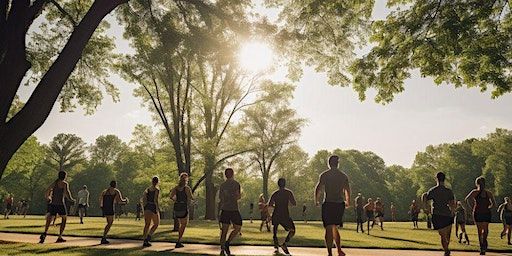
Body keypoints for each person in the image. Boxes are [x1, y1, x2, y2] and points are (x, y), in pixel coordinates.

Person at [315, 155, 351, 256]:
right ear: (337, 163)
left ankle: (330, 253)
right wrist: (348, 201)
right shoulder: (343, 176)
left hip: (328, 203)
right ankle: (339, 250)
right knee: (335, 227)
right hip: (339, 204)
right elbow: (347, 190)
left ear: (329, 163)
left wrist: (316, 200)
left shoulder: (324, 175)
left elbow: (318, 188)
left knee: (328, 227)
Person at [422, 172, 455, 256]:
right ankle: (446, 248)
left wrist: (426, 207)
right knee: (447, 234)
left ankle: (446, 249)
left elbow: (424, 196)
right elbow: (452, 203)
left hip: (437, 214)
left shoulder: (433, 190)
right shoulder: (448, 191)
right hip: (447, 214)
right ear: (444, 179)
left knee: (443, 235)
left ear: (436, 179)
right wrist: (452, 211)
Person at [39, 171, 75, 243]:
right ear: (64, 176)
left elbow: (47, 190)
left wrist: (48, 197)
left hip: (53, 204)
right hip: (60, 204)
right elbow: (67, 192)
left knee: (49, 219)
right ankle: (60, 236)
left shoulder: (54, 183)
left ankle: (45, 233)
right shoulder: (64, 183)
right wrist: (71, 199)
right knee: (64, 218)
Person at [465, 176, 496, 255]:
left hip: (478, 212)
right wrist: (489, 207)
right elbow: (494, 204)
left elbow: (467, 199)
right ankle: (484, 242)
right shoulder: (488, 193)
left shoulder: (475, 192)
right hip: (485, 212)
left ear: (477, 183)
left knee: (479, 230)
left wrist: (472, 207)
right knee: (485, 229)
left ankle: (482, 246)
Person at [268, 178, 296, 255]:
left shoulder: (275, 193)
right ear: (285, 183)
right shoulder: (289, 193)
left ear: (278, 184)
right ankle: (285, 242)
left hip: (276, 213)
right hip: (285, 214)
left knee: (275, 230)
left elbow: (270, 204)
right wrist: (287, 203)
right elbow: (294, 203)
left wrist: (275, 205)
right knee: (292, 230)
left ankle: (276, 245)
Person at [218, 168, 242, 256]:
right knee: (237, 227)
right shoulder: (236, 184)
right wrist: (233, 196)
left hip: (227, 209)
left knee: (225, 230)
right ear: (232, 174)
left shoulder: (223, 185)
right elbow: (238, 196)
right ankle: (225, 245)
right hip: (232, 209)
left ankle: (224, 247)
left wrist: (227, 196)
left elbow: (221, 198)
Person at [170, 172, 194, 248]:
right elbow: (191, 197)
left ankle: (179, 240)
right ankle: (179, 241)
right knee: (184, 225)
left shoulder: (175, 188)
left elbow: (171, 196)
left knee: (181, 224)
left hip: (177, 207)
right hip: (183, 207)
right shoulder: (187, 188)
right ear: (186, 179)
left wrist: (176, 200)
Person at [142, 176, 160, 247]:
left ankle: (145, 240)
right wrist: (157, 208)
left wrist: (144, 207)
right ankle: (149, 236)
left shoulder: (147, 189)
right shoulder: (156, 190)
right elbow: (155, 200)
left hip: (147, 207)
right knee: (156, 223)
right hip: (152, 206)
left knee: (147, 224)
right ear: (157, 182)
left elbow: (144, 199)